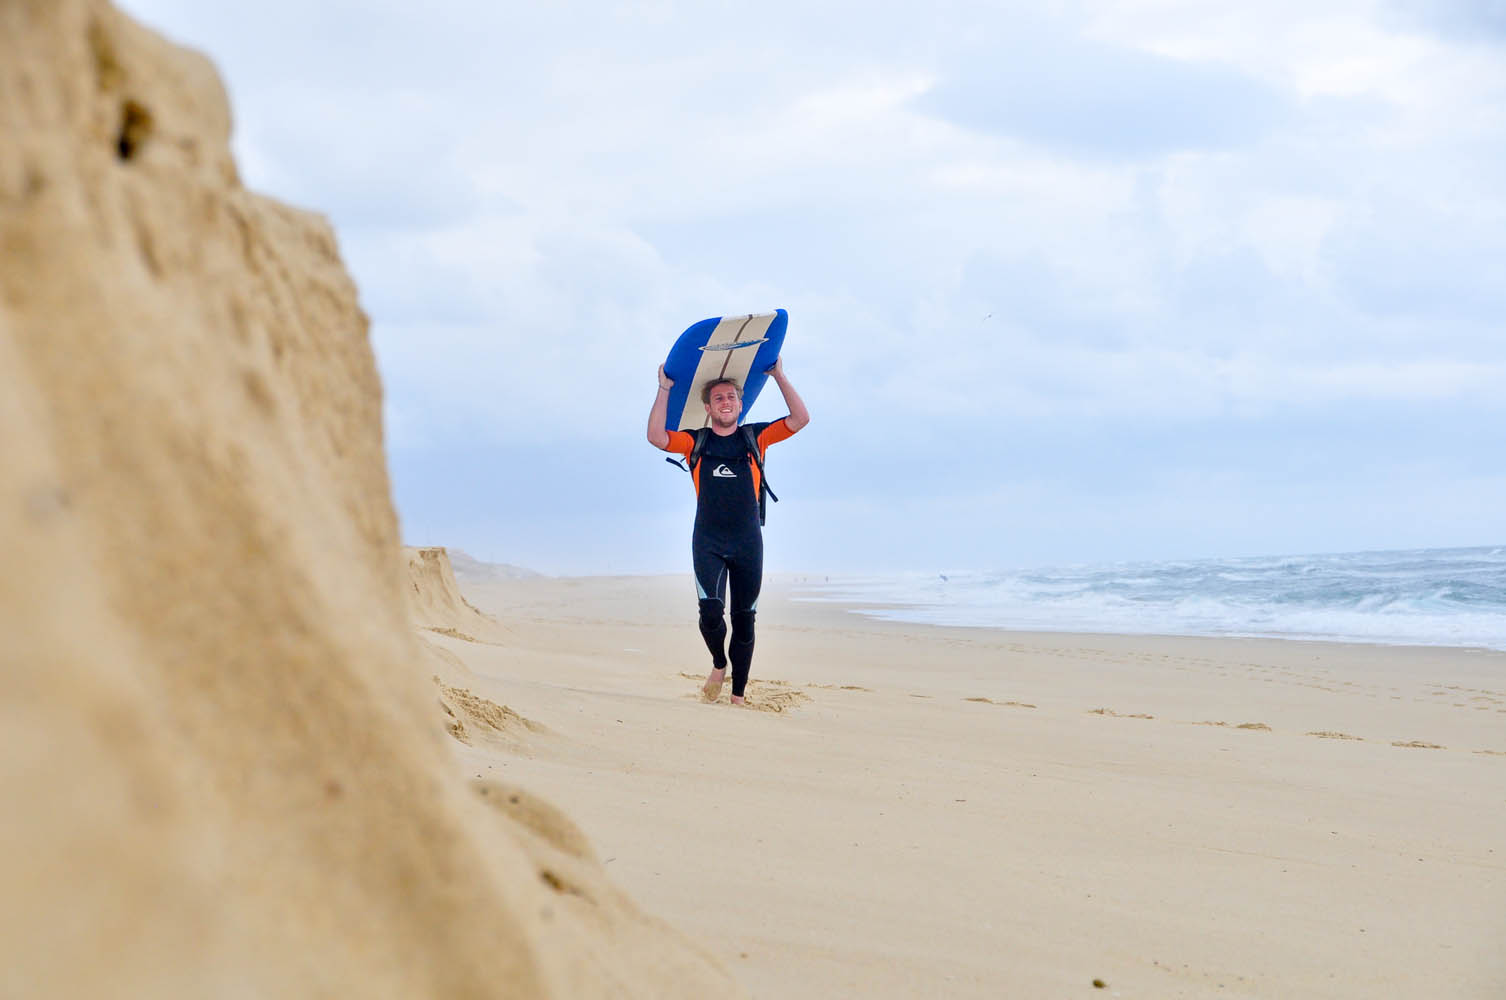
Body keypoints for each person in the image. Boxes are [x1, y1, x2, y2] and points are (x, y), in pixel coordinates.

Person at [647, 358, 809, 705]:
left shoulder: (755, 437)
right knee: (709, 611)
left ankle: (737, 697)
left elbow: (800, 419)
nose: (725, 403)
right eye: (718, 398)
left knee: (745, 619)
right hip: (708, 541)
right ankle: (719, 664)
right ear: (708, 407)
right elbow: (656, 437)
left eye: (731, 397)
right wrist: (664, 388)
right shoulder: (697, 442)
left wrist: (779, 375)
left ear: (740, 404)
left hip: (748, 542)